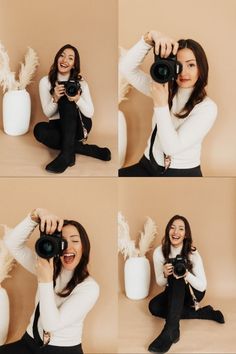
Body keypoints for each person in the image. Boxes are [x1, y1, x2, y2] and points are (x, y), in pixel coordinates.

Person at [0, 208, 99, 354]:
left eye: (75, 240)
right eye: (62, 242)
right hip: (28, 343)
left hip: (62, 350)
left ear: (84, 247)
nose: (68, 247)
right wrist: (37, 215)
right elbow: (11, 243)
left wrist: (45, 280)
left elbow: (51, 324)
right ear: (55, 246)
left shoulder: (90, 287)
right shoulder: (46, 265)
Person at [119, 30, 217, 177]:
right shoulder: (163, 88)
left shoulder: (207, 108)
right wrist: (150, 38)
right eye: (178, 65)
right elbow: (125, 68)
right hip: (146, 165)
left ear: (201, 68)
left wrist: (161, 105)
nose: (183, 73)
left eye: (191, 65)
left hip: (181, 173)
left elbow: (171, 147)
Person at [148, 215, 224, 353]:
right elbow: (160, 282)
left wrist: (186, 274)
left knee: (178, 279)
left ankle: (171, 330)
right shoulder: (159, 252)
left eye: (181, 229)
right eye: (172, 228)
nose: (176, 232)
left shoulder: (192, 253)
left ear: (185, 234)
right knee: (154, 306)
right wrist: (165, 274)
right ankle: (203, 313)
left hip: (192, 293)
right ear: (167, 231)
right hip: (173, 291)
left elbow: (202, 286)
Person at [34, 44, 111, 174]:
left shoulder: (81, 84)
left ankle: (65, 156)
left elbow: (90, 113)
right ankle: (84, 150)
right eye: (62, 55)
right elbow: (48, 113)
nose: (65, 60)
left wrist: (77, 99)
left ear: (74, 64)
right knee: (39, 129)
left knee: (67, 100)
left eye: (70, 58)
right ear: (57, 58)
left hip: (79, 126)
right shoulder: (45, 82)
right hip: (57, 126)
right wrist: (55, 98)